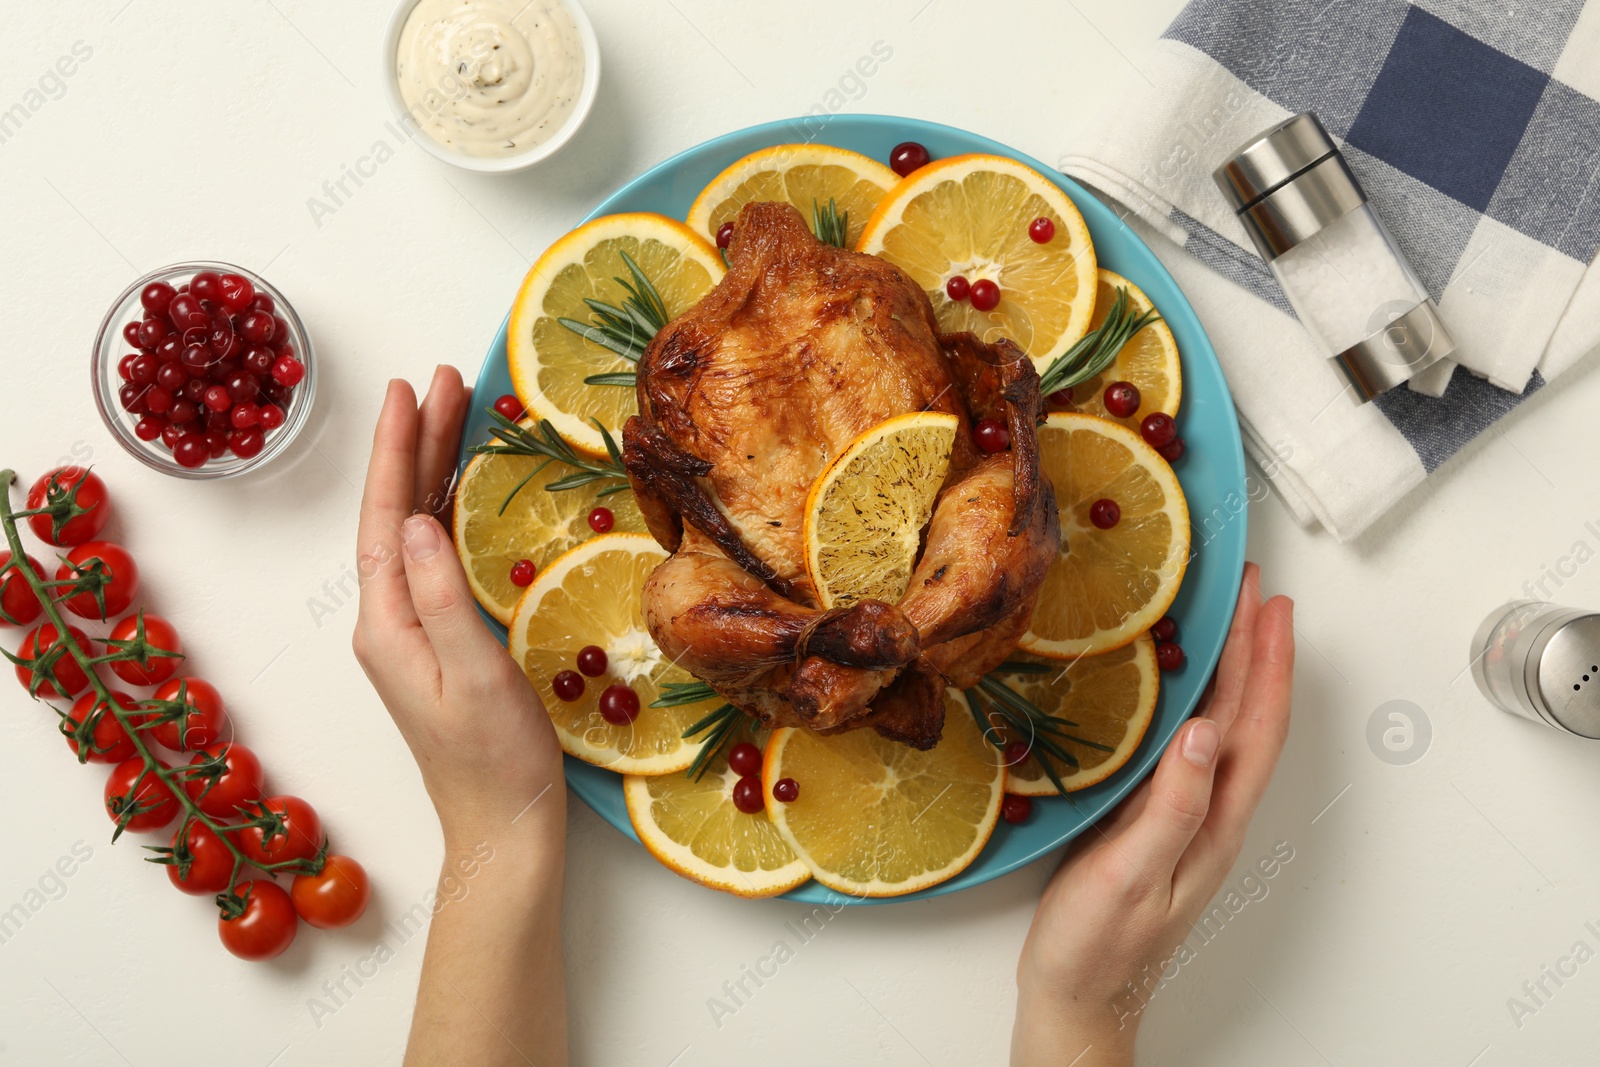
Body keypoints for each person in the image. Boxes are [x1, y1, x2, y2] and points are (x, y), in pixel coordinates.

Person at [353, 370, 1296, 1067]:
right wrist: (1082, 1016)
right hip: (793, 584)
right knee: (686, 598)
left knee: (727, 589)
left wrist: (495, 832)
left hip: (884, 526)